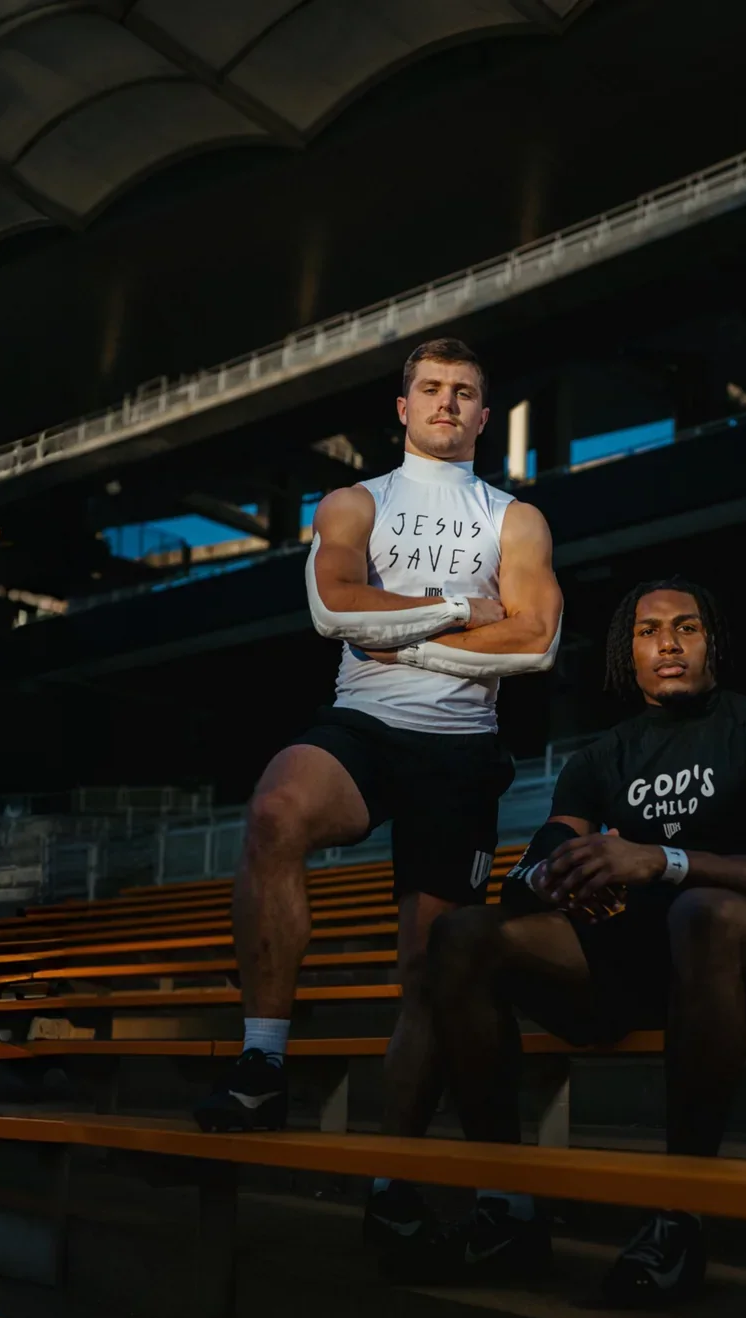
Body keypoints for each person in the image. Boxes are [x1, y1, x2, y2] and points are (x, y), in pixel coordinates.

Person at [395, 577, 746, 1303]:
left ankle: (679, 1214)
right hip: (625, 964)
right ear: (627, 656)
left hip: (734, 962)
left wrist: (662, 860)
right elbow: (530, 869)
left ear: (711, 643)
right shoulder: (601, 759)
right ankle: (507, 1204)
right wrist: (563, 879)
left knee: (704, 915)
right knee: (464, 933)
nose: (668, 642)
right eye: (649, 630)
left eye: (687, 628)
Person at [194, 338, 563, 1160]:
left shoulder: (515, 518)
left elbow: (536, 641)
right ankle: (263, 1061)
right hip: (364, 724)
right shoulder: (354, 502)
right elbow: (335, 610)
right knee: (275, 810)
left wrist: (408, 639)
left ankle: (392, 1181)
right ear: (403, 408)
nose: (447, 404)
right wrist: (461, 609)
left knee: (427, 975)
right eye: (431, 389)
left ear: (485, 414)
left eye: (464, 392)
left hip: (462, 746)